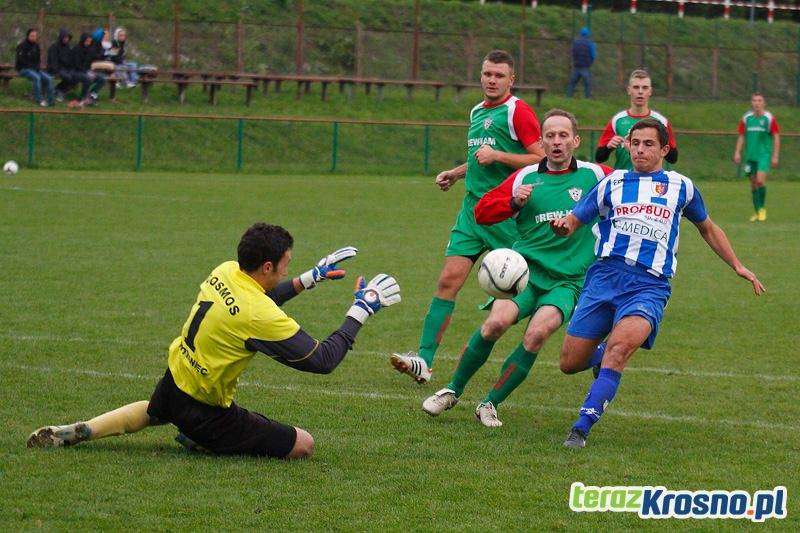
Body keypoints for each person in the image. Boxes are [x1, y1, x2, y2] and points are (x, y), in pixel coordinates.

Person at [27, 223, 401, 459]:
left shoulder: (226, 270)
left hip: (175, 380)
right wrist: (361, 310)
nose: (288, 268)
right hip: (207, 411)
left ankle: (85, 429)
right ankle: (201, 440)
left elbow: (258, 299)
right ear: (267, 266)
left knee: (155, 410)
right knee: (303, 444)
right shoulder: (258, 314)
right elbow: (322, 361)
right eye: (286, 263)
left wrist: (310, 278)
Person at [551, 119, 765, 449]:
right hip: (604, 278)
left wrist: (737, 265)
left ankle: (581, 427)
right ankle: (599, 355)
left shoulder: (682, 187)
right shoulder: (613, 182)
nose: (640, 149)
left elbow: (707, 227)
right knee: (569, 363)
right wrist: (563, 226)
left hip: (648, 285)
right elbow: (575, 219)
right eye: (635, 143)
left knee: (620, 350)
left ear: (664, 149)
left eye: (648, 144)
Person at [422, 109, 611, 426]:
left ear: (576, 141)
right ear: (541, 141)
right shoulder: (525, 177)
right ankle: (452, 389)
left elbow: (630, 193)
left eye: (563, 135)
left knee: (537, 333)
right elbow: (482, 211)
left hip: (568, 281)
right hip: (525, 276)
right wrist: (513, 203)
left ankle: (489, 403)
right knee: (495, 325)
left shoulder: (597, 175)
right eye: (549, 136)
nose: (556, 142)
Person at [390, 50, 545, 384]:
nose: (492, 80)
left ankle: (584, 338)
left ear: (511, 79)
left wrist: (498, 155)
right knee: (448, 280)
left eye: (499, 76)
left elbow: (541, 159)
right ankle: (424, 360)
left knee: (529, 288)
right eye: (487, 74)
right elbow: (480, 159)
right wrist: (458, 172)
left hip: (505, 213)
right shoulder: (476, 111)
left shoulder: (518, 111)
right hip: (472, 213)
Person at [595, 69, 678, 170]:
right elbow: (599, 158)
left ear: (650, 91)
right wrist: (608, 148)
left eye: (645, 88)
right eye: (636, 87)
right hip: (623, 179)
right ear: (629, 90)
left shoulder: (661, 121)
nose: (640, 91)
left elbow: (673, 158)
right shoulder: (617, 120)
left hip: (652, 178)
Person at [733, 93, 780, 222]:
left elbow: (776, 136)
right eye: (754, 100)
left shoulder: (769, 118)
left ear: (763, 103)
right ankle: (757, 212)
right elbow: (741, 136)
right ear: (751, 103)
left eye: (759, 100)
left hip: (764, 155)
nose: (757, 103)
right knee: (753, 185)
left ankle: (762, 209)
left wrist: (775, 156)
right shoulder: (746, 118)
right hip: (750, 156)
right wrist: (737, 152)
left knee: (760, 181)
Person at [15, 28, 54, 107]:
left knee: (49, 78)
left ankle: (50, 101)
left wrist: (36, 67)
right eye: (32, 36)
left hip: (35, 69)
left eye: (35, 36)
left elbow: (38, 60)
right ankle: (39, 100)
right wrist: (32, 67)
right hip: (23, 69)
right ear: (28, 36)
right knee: (37, 78)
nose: (33, 37)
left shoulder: (37, 46)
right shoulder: (21, 46)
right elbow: (21, 60)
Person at [70, 32, 106, 106]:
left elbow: (93, 59)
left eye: (90, 41)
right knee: (87, 78)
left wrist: (104, 53)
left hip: (86, 71)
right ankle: (82, 97)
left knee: (102, 79)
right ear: (83, 40)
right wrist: (87, 72)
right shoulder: (76, 49)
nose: (88, 43)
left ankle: (91, 95)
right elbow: (77, 65)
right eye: (87, 41)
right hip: (75, 71)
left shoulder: (90, 49)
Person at [47, 29, 78, 102]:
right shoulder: (54, 47)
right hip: (56, 68)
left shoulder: (67, 47)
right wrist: (55, 70)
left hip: (65, 68)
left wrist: (72, 67)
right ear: (61, 37)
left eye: (67, 38)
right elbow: (52, 60)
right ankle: (59, 92)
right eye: (65, 38)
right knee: (68, 77)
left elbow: (69, 59)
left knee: (76, 77)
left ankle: (59, 90)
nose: (66, 39)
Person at [566, 27, 596, 98]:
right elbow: (593, 55)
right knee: (587, 84)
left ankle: (568, 97)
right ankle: (587, 98)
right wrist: (590, 63)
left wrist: (575, 61)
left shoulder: (576, 42)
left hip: (576, 66)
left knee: (572, 83)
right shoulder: (590, 43)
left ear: (580, 33)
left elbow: (573, 52)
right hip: (585, 66)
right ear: (588, 34)